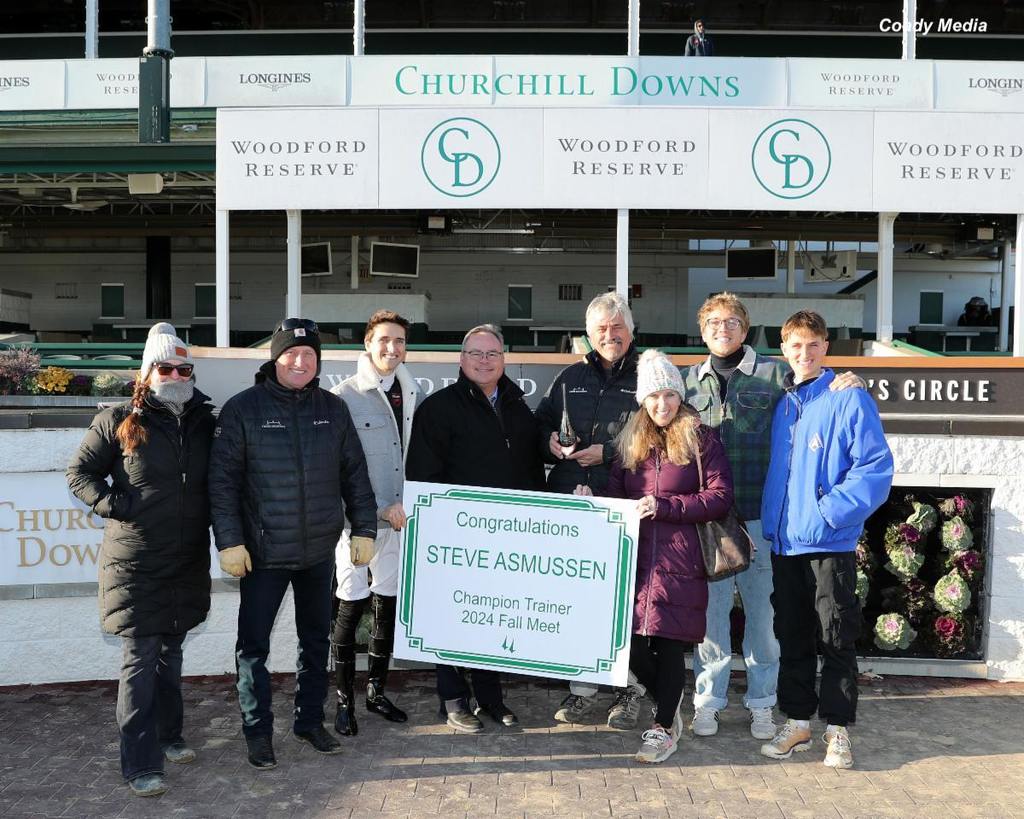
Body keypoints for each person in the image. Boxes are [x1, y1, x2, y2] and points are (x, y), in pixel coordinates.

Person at [683, 293, 863, 742]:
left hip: (764, 522)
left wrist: (853, 381)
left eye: (731, 322)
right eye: (712, 323)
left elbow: (817, 388)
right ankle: (709, 702)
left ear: (746, 330)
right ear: (702, 331)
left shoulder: (776, 373)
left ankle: (762, 703)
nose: (722, 329)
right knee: (711, 620)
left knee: (765, 622)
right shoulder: (687, 384)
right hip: (710, 523)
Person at [208, 317, 378, 769]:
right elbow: (222, 484)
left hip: (318, 552)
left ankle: (308, 722)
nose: (300, 361)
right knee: (253, 648)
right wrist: (230, 541)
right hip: (262, 555)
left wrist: (364, 528)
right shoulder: (243, 409)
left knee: (315, 642)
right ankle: (257, 732)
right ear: (275, 358)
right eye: (291, 354)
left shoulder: (333, 408)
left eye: (309, 355)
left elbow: (354, 474)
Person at [66, 323, 215, 798]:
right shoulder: (117, 418)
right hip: (134, 563)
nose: (176, 374)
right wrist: (118, 506)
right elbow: (80, 473)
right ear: (149, 371)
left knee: (171, 657)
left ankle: (171, 737)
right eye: (166, 366)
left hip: (186, 559)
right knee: (140, 659)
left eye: (184, 367)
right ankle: (140, 763)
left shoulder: (205, 420)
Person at [576, 349, 733, 763]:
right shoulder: (630, 441)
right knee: (628, 643)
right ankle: (670, 705)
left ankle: (663, 725)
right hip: (636, 559)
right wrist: (592, 500)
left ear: (680, 396)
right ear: (642, 401)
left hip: (681, 560)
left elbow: (719, 497)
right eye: (653, 397)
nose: (662, 405)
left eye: (669, 395)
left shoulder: (703, 439)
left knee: (666, 644)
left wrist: (666, 506)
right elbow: (617, 495)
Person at [759, 310, 893, 769]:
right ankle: (797, 723)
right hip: (785, 544)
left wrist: (828, 513)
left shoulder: (848, 397)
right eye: (796, 346)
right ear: (784, 350)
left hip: (829, 544)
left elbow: (874, 469)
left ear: (825, 348)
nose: (804, 353)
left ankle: (837, 730)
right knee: (792, 636)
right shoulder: (785, 404)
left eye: (813, 344)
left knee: (837, 637)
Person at [406, 324, 544, 733]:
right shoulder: (438, 408)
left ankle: (489, 699)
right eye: (476, 354)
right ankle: (452, 699)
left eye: (493, 354)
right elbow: (422, 475)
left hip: (508, 536)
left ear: (503, 360)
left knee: (493, 619)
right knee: (451, 619)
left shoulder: (519, 407)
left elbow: (532, 470)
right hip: (457, 535)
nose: (485, 361)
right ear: (461, 360)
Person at [535, 292, 646, 729]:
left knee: (625, 602)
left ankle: (630, 690)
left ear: (631, 331)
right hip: (571, 502)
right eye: (601, 329)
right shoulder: (568, 377)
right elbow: (541, 424)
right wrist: (549, 443)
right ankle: (582, 689)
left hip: (625, 504)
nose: (610, 335)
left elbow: (661, 432)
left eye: (617, 327)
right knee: (577, 600)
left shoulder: (647, 374)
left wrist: (610, 453)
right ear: (589, 334)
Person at [330, 310, 420, 736]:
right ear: (367, 343)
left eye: (399, 340)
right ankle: (344, 700)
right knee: (350, 606)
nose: (392, 348)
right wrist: (375, 509)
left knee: (387, 605)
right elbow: (339, 469)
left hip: (398, 524)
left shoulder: (412, 391)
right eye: (384, 340)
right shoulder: (344, 396)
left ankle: (376, 692)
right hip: (358, 526)